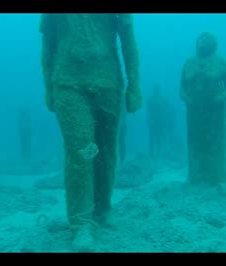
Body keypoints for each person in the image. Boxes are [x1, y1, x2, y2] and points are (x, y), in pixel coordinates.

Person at [40, 14, 142, 250]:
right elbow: (48, 42)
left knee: (106, 152)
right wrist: (48, 86)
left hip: (109, 82)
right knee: (81, 152)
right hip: (68, 83)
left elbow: (128, 40)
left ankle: (103, 208)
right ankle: (81, 223)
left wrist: (134, 84)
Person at [180, 32, 226, 185]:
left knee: (215, 142)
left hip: (215, 111)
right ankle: (195, 177)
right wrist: (186, 98)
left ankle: (216, 177)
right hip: (194, 112)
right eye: (200, 38)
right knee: (195, 142)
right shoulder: (189, 62)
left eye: (206, 39)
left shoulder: (220, 61)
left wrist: (221, 98)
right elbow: (181, 87)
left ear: (213, 44)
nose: (202, 41)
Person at [146, 84, 167, 158]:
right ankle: (152, 153)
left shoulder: (161, 100)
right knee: (153, 138)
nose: (156, 90)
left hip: (158, 122)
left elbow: (163, 112)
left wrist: (163, 122)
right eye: (155, 89)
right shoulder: (152, 99)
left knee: (158, 138)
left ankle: (156, 153)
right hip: (154, 122)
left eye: (157, 89)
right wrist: (149, 120)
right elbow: (148, 111)